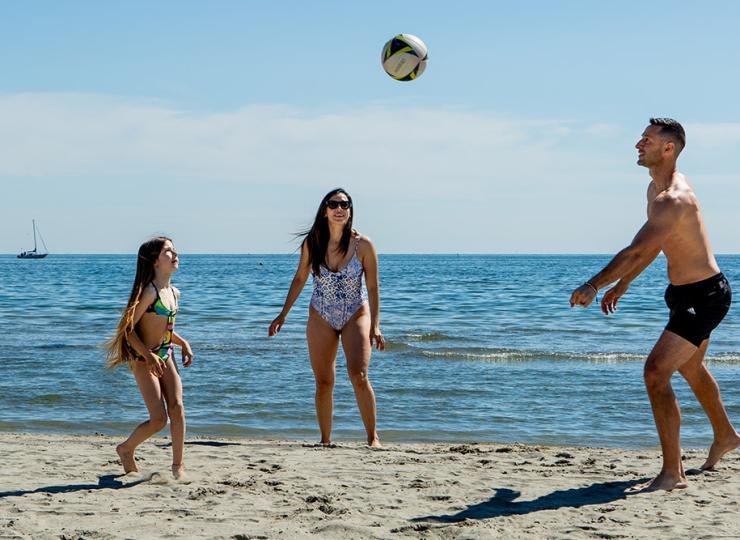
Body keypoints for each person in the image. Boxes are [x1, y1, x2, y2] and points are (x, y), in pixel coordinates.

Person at [569, 118, 739, 492]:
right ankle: (726, 436)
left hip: (706, 296)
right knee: (692, 369)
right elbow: (655, 244)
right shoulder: (654, 190)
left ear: (669, 149)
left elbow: (635, 249)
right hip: (684, 295)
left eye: (646, 140)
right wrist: (625, 283)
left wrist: (595, 284)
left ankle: (671, 474)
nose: (637, 145)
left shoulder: (673, 199)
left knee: (655, 373)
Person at [269, 188, 385, 447]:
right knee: (323, 381)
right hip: (321, 314)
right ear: (325, 210)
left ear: (350, 210)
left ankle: (372, 437)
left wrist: (376, 325)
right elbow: (300, 278)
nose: (340, 208)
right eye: (334, 204)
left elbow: (374, 287)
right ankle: (325, 440)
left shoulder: (363, 245)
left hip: (356, 312)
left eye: (345, 204)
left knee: (359, 375)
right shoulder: (313, 243)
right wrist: (283, 314)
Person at [106, 237, 194, 479]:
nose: (175, 254)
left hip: (166, 354)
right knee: (158, 420)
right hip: (143, 359)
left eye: (175, 249)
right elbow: (128, 330)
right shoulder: (149, 292)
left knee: (177, 408)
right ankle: (126, 449)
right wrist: (148, 355)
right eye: (168, 251)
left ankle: (178, 467)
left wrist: (183, 343)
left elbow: (164, 329)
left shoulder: (174, 292)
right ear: (155, 261)